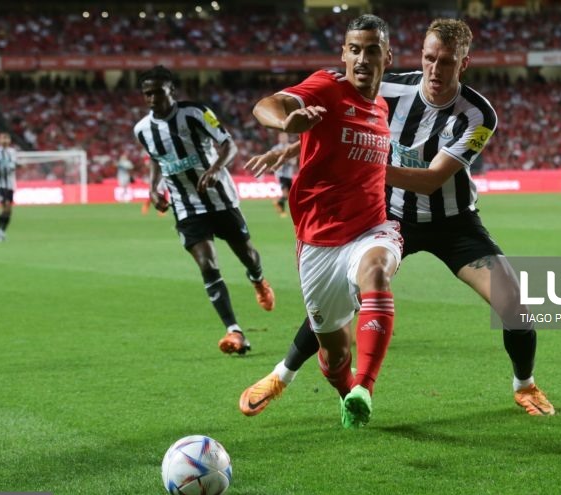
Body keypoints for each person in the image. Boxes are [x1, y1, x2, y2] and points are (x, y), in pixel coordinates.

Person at [240, 18, 554, 417]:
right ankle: (282, 374)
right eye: (429, 58)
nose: (435, 70)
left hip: (453, 223)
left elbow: (433, 179)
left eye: (447, 62)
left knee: (515, 305)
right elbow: (338, 123)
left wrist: (356, 162)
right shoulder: (389, 86)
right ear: (420, 56)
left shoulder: (479, 115)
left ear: (464, 63)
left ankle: (524, 386)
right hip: (391, 215)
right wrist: (292, 147)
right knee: (341, 299)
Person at [250, 14, 401, 429]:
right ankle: (347, 392)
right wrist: (286, 124)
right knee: (334, 352)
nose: (362, 58)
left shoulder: (383, 106)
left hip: (372, 229)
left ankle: (365, 388)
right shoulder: (328, 86)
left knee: (377, 272)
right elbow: (266, 105)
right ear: (343, 54)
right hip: (318, 243)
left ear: (387, 57)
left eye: (372, 50)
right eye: (354, 49)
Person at [133, 65, 275, 355]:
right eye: (147, 94)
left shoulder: (196, 113)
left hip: (220, 199)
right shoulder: (142, 129)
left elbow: (228, 145)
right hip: (186, 206)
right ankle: (234, 331)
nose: (151, 99)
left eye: (157, 92)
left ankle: (258, 279)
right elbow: (155, 159)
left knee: (247, 255)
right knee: (207, 264)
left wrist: (215, 168)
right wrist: (153, 188)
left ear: (171, 90)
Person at [270, 132, 297, 217]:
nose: (283, 139)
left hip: (289, 174)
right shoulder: (276, 148)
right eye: (282, 137)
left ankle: (278, 203)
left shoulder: (291, 147)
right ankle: (281, 210)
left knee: (289, 195)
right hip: (281, 174)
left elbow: (294, 161)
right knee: (285, 193)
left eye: (285, 137)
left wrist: (288, 160)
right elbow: (272, 161)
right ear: (279, 138)